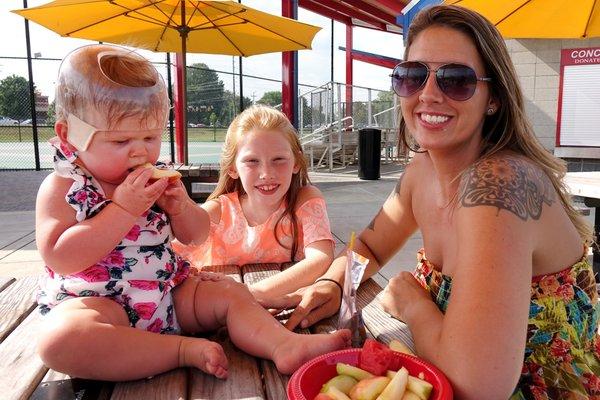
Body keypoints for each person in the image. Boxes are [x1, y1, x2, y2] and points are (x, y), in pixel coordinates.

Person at [268, 5, 600, 399]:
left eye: (455, 80)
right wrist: (333, 282)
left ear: (493, 98)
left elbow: (476, 384)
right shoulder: (420, 174)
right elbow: (371, 246)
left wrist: (413, 305)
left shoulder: (500, 186)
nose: (428, 93)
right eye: (412, 76)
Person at [35, 44, 350, 382]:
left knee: (233, 293)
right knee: (58, 341)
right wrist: (123, 209)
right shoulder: (65, 189)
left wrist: (181, 207)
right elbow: (60, 257)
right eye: (120, 141)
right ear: (71, 136)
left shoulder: (155, 180)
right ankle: (180, 351)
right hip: (99, 304)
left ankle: (284, 345)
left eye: (150, 136)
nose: (140, 151)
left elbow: (197, 235)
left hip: (170, 295)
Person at [173, 105, 336, 304]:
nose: (267, 173)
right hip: (225, 313)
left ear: (296, 163)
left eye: (278, 159)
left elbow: (320, 259)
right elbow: (166, 257)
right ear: (233, 168)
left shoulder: (305, 199)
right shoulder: (218, 211)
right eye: (252, 161)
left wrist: (250, 293)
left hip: (280, 310)